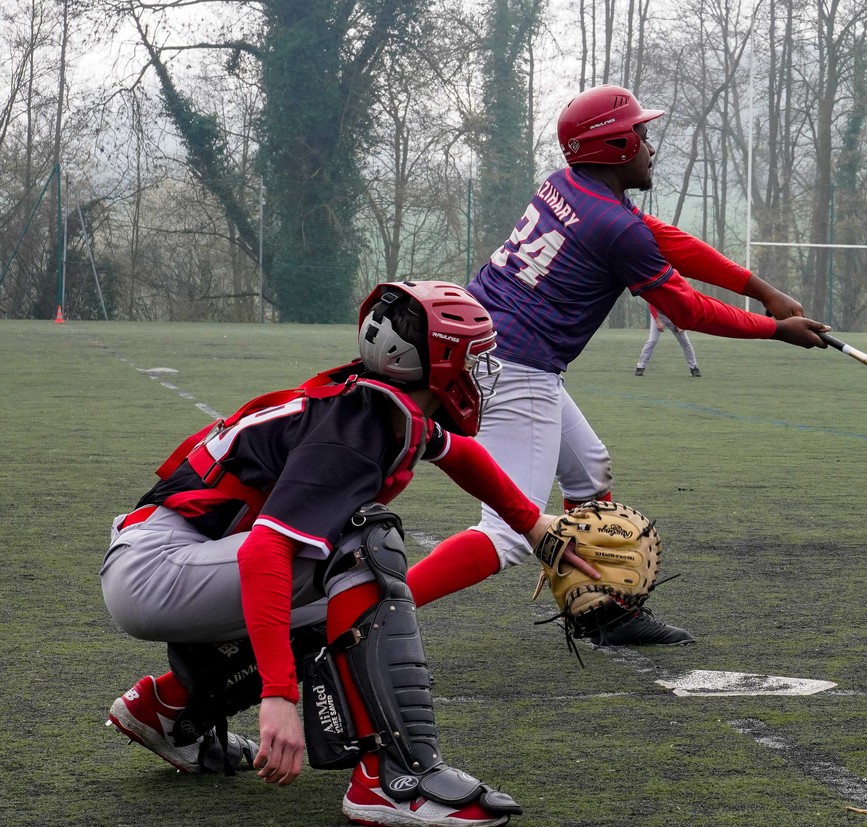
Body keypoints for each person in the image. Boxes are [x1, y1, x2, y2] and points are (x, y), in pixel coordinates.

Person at [101, 281, 598, 827]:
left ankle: (167, 710)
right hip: (159, 567)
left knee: (344, 603)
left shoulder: (377, 406)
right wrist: (279, 696)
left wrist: (534, 526)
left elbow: (458, 451)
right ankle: (392, 778)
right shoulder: (354, 429)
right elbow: (266, 551)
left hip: (175, 555)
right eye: (475, 357)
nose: (483, 371)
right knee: (363, 545)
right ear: (434, 361)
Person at [405, 83, 831, 647]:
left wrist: (759, 288)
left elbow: (665, 238)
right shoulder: (614, 227)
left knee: (588, 472)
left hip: (491, 350)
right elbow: (683, 307)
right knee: (509, 534)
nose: (650, 146)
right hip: (516, 366)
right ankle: (365, 615)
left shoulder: (568, 186)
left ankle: (599, 607)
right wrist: (775, 329)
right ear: (616, 146)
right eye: (642, 135)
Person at [635, 303, 700, 377]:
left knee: (685, 343)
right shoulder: (658, 292)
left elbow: (685, 307)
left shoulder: (678, 293)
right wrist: (657, 321)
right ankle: (640, 367)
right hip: (659, 316)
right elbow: (652, 304)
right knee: (652, 340)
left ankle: (694, 368)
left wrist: (683, 323)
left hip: (674, 318)